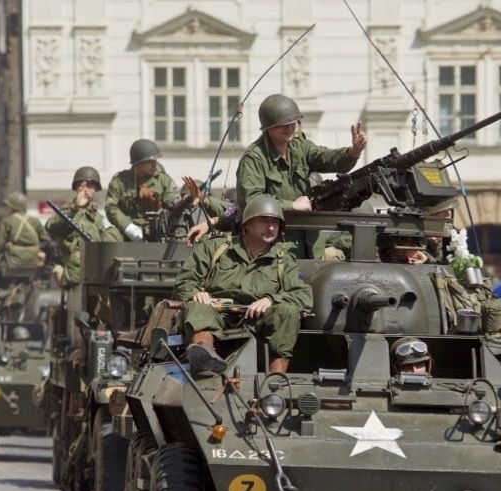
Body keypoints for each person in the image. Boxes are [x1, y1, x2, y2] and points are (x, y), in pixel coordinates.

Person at [175, 195, 313, 376]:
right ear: (247, 224)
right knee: (196, 306)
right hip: (215, 314)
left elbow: (303, 295)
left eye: (275, 222)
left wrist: (271, 299)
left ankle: (277, 378)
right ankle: (205, 354)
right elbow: (185, 280)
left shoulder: (284, 261)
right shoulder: (216, 248)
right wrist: (196, 293)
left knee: (288, 311)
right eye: (264, 220)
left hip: (255, 321)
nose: (271, 227)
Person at [235, 94, 366, 255]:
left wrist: (353, 151)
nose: (290, 127)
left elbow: (327, 158)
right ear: (269, 127)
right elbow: (252, 200)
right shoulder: (254, 158)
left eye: (294, 122)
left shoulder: (300, 147)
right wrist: (292, 206)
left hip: (310, 243)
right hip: (277, 247)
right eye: (284, 124)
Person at [46, 166, 125, 288]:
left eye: (91, 186)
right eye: (83, 186)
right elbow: (51, 226)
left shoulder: (97, 217)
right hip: (77, 272)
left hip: (97, 270)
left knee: (113, 233)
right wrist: (75, 208)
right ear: (77, 188)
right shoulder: (69, 211)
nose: (86, 190)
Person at [105, 139, 180, 242]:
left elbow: (174, 201)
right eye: (149, 161)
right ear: (137, 163)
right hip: (129, 228)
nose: (154, 164)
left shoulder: (164, 181)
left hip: (158, 229)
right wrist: (129, 227)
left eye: (155, 160)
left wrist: (164, 208)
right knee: (110, 236)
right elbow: (111, 207)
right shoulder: (119, 182)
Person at [0, 191, 48, 270]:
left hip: (12, 263)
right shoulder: (35, 221)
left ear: (12, 207)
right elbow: (46, 241)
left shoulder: (7, 221)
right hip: (34, 262)